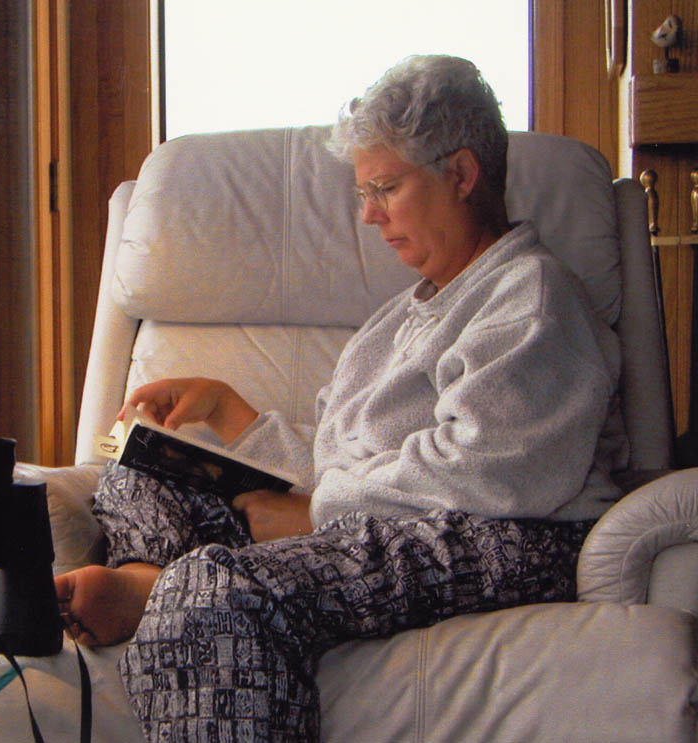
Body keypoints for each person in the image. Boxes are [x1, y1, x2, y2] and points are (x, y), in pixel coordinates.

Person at [54, 54, 627, 742]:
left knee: (217, 592)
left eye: (385, 188)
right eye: (363, 193)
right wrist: (227, 412)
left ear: (461, 174)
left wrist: (315, 513)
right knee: (136, 471)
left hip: (507, 534)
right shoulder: (397, 320)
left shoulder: (529, 295)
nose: (368, 215)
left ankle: (173, 587)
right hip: (380, 514)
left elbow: (491, 468)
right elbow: (340, 455)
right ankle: (151, 579)